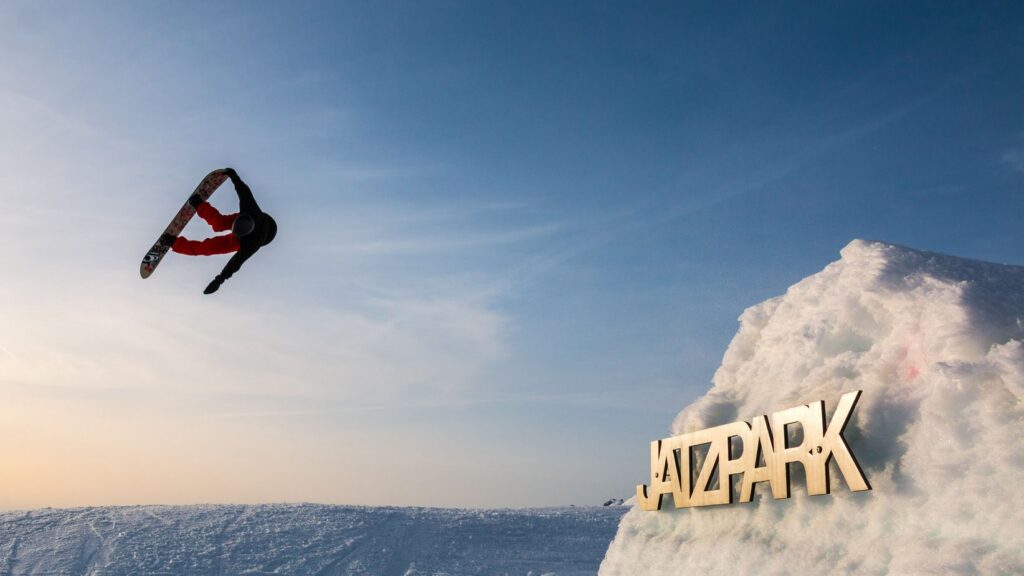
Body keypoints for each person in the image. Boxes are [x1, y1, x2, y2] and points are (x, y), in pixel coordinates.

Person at [164, 168, 277, 294]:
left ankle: (174, 243)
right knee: (219, 224)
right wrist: (234, 177)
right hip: (250, 219)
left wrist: (219, 280)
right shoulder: (249, 208)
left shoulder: (250, 246)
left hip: (256, 237)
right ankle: (199, 204)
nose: (232, 233)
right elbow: (243, 190)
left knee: (207, 248)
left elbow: (234, 265)